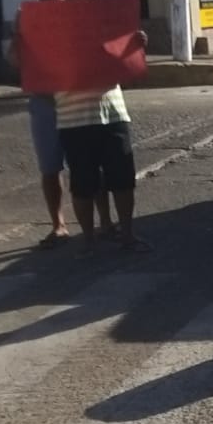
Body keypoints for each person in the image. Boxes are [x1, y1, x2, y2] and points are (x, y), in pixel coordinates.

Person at [9, 0, 114, 248]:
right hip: (44, 100)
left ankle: (105, 221)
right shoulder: (24, 16)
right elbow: (15, 58)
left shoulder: (75, 12)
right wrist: (17, 42)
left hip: (78, 99)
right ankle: (58, 225)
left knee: (90, 164)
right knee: (49, 166)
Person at [55, 17, 150, 255]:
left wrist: (135, 49)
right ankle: (88, 240)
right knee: (83, 183)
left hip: (113, 116)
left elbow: (129, 72)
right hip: (74, 119)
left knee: (123, 179)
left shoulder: (110, 41)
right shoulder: (55, 43)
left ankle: (127, 234)